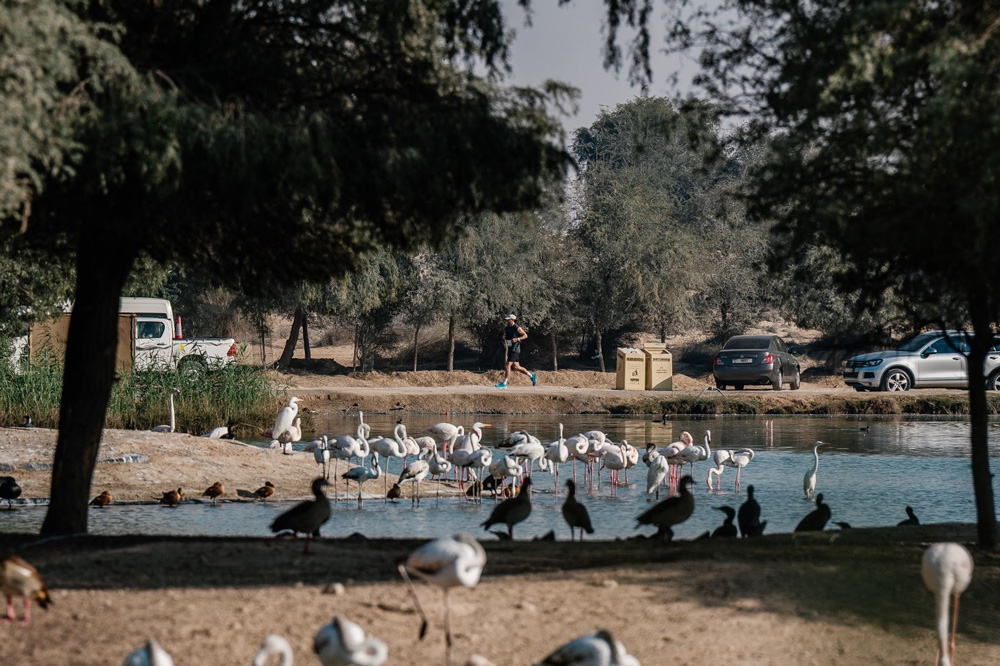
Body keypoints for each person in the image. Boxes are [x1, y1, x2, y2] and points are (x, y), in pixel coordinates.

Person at [495, 314, 537, 389]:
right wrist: (504, 337)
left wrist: (517, 339)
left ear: (513, 320)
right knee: (517, 367)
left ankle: (504, 383)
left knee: (508, 365)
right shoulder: (507, 328)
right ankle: (532, 376)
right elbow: (505, 337)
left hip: (515, 349)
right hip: (511, 348)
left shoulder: (517, 328)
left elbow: (525, 335)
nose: (507, 321)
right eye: (507, 320)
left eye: (508, 319)